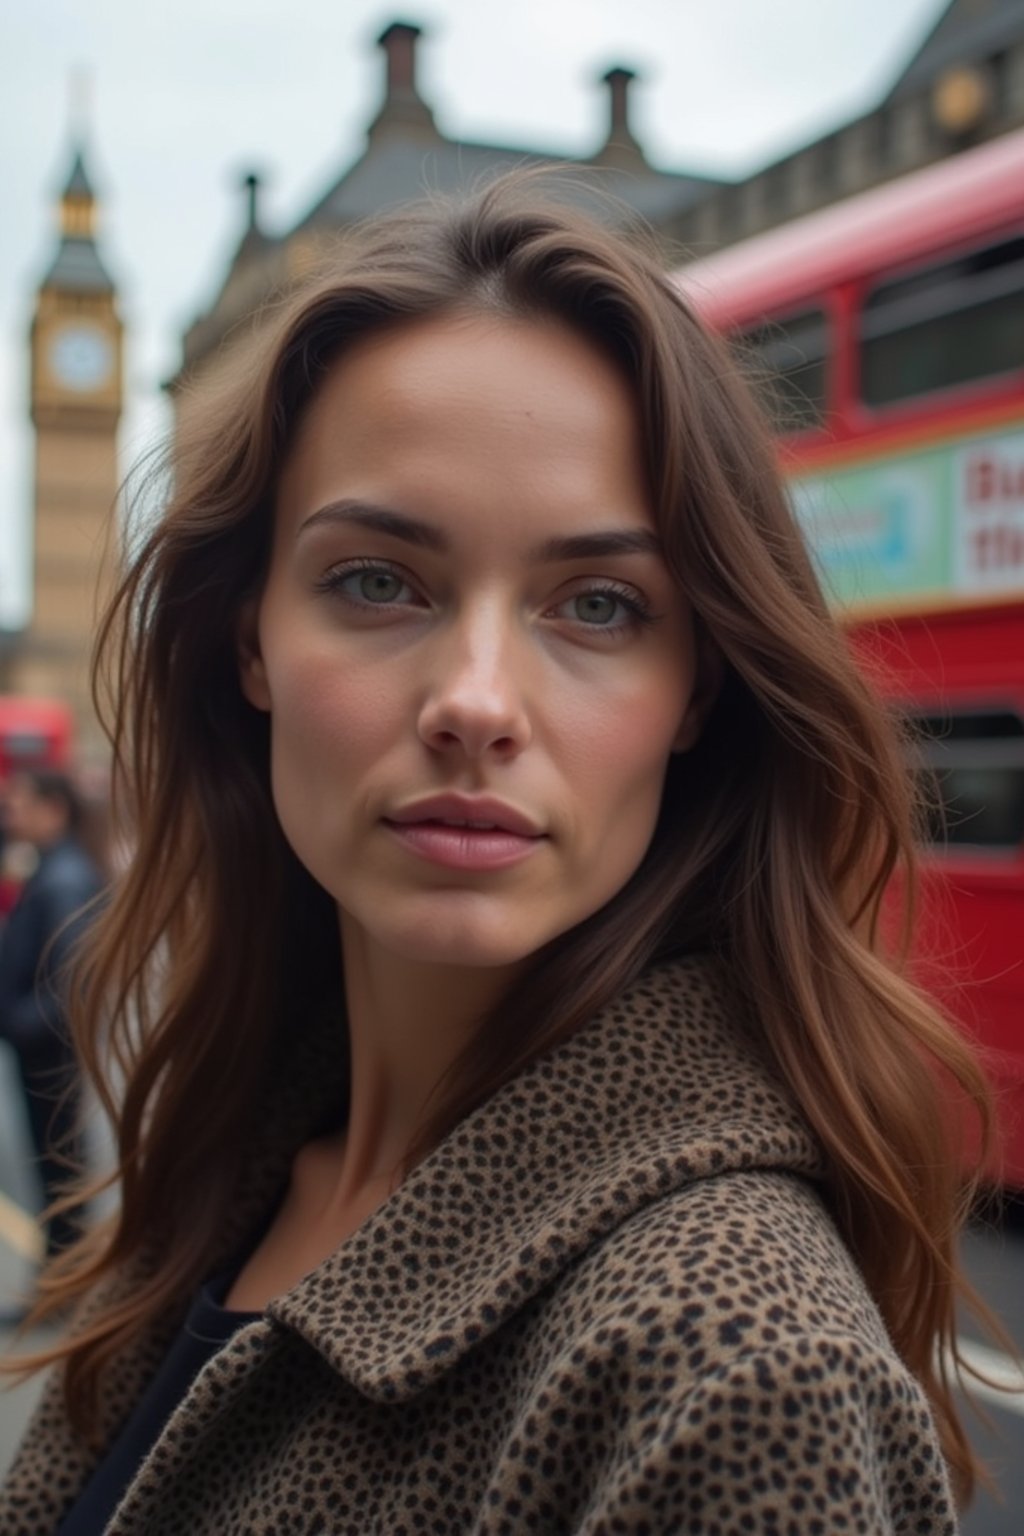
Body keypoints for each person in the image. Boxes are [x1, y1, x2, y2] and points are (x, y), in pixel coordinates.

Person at [0, 177, 999, 1534]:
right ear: (249, 641)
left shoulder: (731, 1368)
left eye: (596, 605)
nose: (474, 698)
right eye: (378, 580)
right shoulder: (241, 1147)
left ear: (697, 689)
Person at [0, 771, 102, 1266]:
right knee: (55, 1162)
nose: (12, 815)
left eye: (21, 804)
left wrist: (20, 1023)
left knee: (57, 1163)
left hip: (46, 1050)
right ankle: (62, 1271)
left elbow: (69, 982)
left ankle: (64, 1274)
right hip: (42, 1044)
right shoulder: (51, 869)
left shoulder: (62, 879)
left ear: (54, 808)